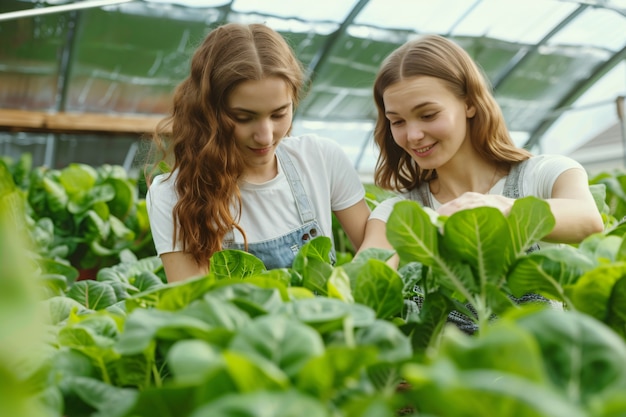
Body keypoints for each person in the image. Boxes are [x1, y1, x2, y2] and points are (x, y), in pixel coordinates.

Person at [357, 34, 604, 334]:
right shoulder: (397, 212)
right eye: (397, 121)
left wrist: (499, 206)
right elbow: (367, 277)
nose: (412, 135)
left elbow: (588, 220)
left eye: (428, 115)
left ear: (470, 104)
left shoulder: (543, 174)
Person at [145, 23, 371, 283]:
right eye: (243, 118)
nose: (265, 136)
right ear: (209, 111)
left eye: (279, 114)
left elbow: (377, 254)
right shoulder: (173, 195)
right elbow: (197, 311)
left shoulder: (320, 157)